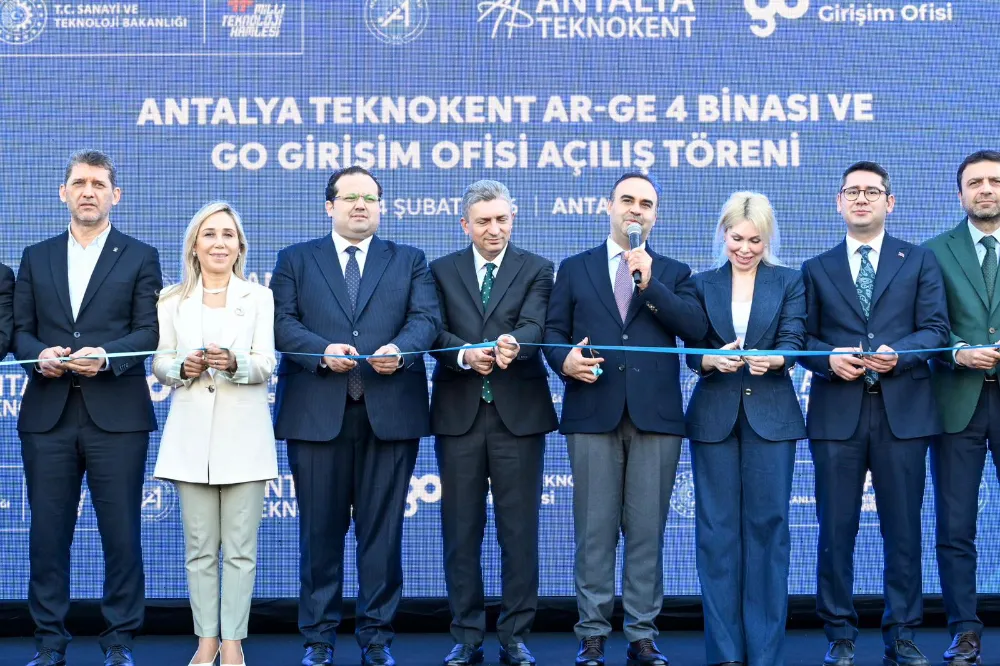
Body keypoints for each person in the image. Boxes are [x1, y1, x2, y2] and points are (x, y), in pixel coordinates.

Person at [271, 166, 441, 666]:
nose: (360, 205)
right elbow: (281, 322)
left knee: (382, 533)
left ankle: (377, 638)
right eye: (349, 197)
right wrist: (321, 351)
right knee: (318, 532)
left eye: (369, 197)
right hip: (316, 414)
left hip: (389, 413)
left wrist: (401, 351)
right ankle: (319, 638)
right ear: (330, 206)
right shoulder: (296, 259)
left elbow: (426, 319)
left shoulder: (409, 260)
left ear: (381, 206)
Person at [543, 171, 708, 666]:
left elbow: (694, 328)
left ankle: (641, 634)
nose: (636, 210)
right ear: (609, 206)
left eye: (646, 204)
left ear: (655, 215)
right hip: (592, 411)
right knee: (594, 532)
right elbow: (552, 333)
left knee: (646, 532)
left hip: (656, 418)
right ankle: (592, 634)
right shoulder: (575, 268)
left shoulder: (673, 272)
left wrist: (650, 283)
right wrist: (564, 361)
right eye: (628, 200)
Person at [13, 150, 162, 666]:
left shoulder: (140, 255)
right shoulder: (36, 256)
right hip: (47, 415)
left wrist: (106, 356)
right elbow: (20, 331)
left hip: (117, 416)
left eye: (98, 184)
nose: (88, 192)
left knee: (121, 535)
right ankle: (49, 644)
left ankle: (119, 641)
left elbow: (149, 331)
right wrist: (39, 356)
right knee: (47, 536)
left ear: (115, 195)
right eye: (79, 183)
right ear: (63, 193)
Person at [799, 161, 949, 666]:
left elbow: (936, 329)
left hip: (903, 413)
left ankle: (902, 633)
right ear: (838, 202)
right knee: (834, 530)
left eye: (871, 191)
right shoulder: (816, 268)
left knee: (903, 530)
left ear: (890, 202)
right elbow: (800, 338)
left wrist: (900, 354)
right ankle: (839, 634)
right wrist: (828, 359)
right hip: (836, 415)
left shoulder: (919, 260)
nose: (861, 199)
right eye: (852, 192)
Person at [429, 180, 557, 666]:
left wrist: (512, 344)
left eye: (502, 219)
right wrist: (464, 353)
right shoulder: (440, 270)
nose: (494, 229)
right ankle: (466, 635)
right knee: (460, 531)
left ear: (513, 217)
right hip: (459, 415)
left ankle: (515, 635)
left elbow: (536, 325)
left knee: (518, 532)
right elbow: (432, 330)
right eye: (483, 221)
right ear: (465, 224)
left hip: (518, 416)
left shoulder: (538, 268)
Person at [152, 202, 277, 666]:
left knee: (241, 552)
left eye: (228, 235)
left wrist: (236, 363)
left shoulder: (259, 297)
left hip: (245, 441)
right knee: (199, 551)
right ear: (194, 246)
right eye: (209, 234)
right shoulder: (171, 299)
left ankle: (233, 643)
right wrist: (181, 368)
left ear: (240, 247)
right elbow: (160, 361)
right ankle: (206, 642)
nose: (219, 243)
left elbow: (267, 362)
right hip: (190, 441)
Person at [683, 192, 805, 666]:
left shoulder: (790, 281)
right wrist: (708, 360)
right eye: (737, 238)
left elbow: (793, 341)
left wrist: (774, 359)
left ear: (767, 239)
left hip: (772, 418)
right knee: (716, 535)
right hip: (713, 418)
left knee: (769, 533)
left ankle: (765, 652)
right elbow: (691, 349)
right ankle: (726, 653)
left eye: (756, 240)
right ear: (723, 234)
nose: (746, 248)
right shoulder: (700, 283)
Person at [924, 150, 1000, 666]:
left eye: (994, 180)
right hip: (956, 401)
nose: (985, 189)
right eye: (975, 182)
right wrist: (955, 351)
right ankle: (965, 630)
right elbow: (926, 322)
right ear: (960, 194)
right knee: (955, 525)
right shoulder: (933, 253)